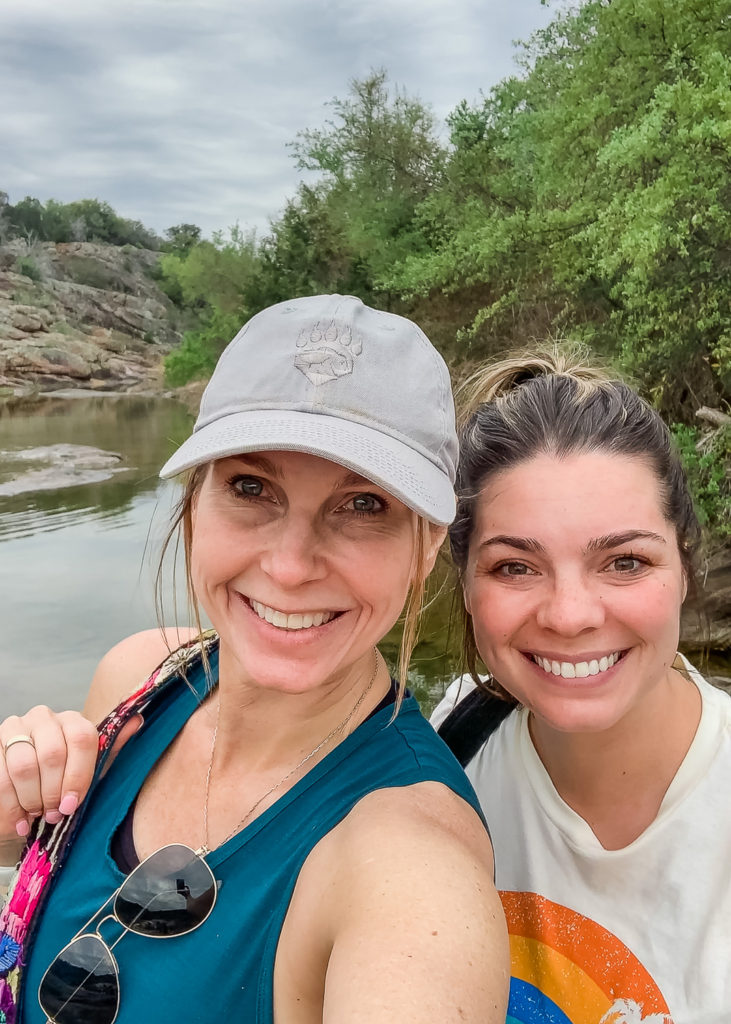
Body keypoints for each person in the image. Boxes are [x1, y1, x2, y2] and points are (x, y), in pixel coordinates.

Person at [0, 295, 508, 1024]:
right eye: (250, 487)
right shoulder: (139, 681)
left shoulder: (408, 865)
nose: (292, 565)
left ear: (428, 544)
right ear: (191, 503)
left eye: (362, 506)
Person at [431, 350, 731, 1024]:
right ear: (466, 584)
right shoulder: (450, 748)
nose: (569, 615)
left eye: (624, 561)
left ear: (685, 564)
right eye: (514, 567)